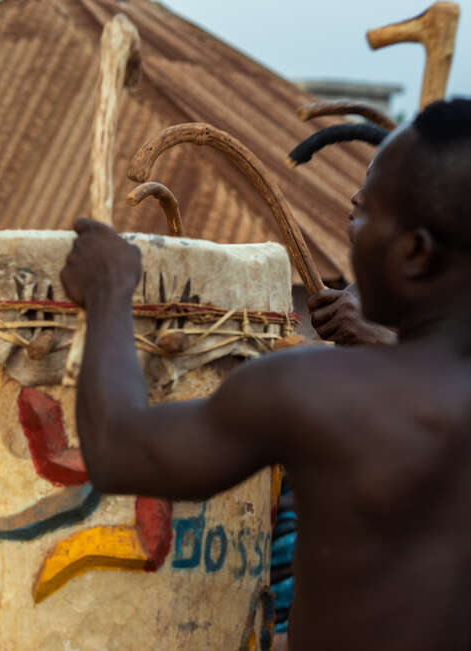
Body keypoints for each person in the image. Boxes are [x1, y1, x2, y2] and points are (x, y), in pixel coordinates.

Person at [58, 98, 471, 651]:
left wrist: (109, 291)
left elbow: (117, 449)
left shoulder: (315, 391)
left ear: (416, 253)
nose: (352, 224)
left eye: (368, 212)